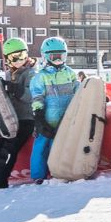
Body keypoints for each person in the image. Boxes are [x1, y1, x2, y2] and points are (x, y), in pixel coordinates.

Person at [0, 38, 37, 191]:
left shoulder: (31, 73)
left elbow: (31, 96)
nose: (19, 61)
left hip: (26, 119)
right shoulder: (8, 74)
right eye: (14, 58)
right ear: (7, 59)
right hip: (9, 119)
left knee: (9, 149)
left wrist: (12, 88)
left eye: (22, 56)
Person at [27, 36, 79, 183]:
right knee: (42, 146)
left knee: (63, 145)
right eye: (54, 56)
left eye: (61, 56)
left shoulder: (69, 73)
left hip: (66, 117)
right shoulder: (40, 77)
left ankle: (61, 172)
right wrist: (39, 116)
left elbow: (78, 90)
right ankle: (38, 175)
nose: (58, 59)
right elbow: (37, 97)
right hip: (48, 119)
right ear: (45, 56)